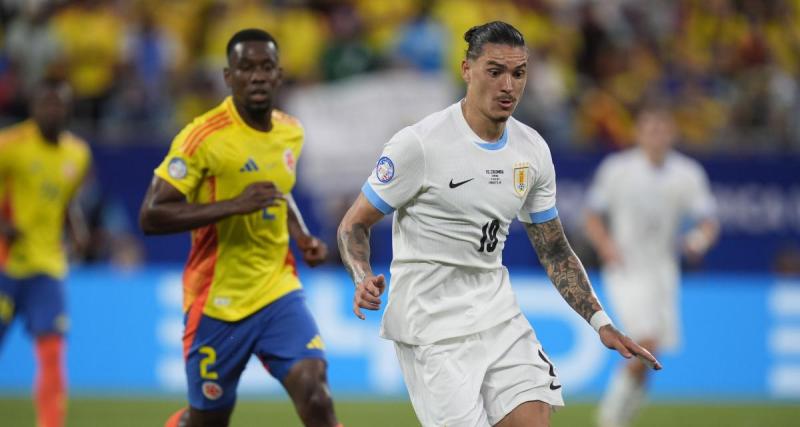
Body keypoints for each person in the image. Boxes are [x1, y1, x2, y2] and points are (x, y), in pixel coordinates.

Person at [337, 21, 661, 427]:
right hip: (431, 329)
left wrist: (601, 321)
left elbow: (555, 249)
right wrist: (361, 274)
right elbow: (353, 225)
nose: (508, 85)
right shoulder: (419, 144)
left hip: (498, 317)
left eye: (519, 73)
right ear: (466, 70)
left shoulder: (532, 150)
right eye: (495, 71)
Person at [139, 29, 340, 427]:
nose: (258, 76)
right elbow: (152, 215)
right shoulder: (202, 138)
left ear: (279, 74)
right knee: (207, 420)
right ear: (229, 76)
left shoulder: (290, 132)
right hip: (217, 301)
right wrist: (234, 205)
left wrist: (301, 236)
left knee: (316, 394)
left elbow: (279, 193)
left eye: (266, 67)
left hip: (277, 290)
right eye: (246, 67)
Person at [586, 103, 719, 427]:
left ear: (672, 132)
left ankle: (621, 420)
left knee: (651, 355)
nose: (656, 135)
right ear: (638, 132)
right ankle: (607, 420)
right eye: (649, 128)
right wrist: (606, 246)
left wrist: (696, 243)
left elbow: (708, 222)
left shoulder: (687, 174)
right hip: (627, 270)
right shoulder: (617, 169)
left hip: (663, 271)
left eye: (662, 128)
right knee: (643, 342)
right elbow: (592, 215)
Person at [0, 78, 92, 427]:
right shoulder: (9, 145)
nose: (52, 110)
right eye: (46, 103)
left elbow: (64, 199)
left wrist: (77, 230)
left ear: (69, 109)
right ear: (33, 107)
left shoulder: (78, 153)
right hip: (5, 264)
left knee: (53, 354)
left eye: (59, 104)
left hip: (47, 266)